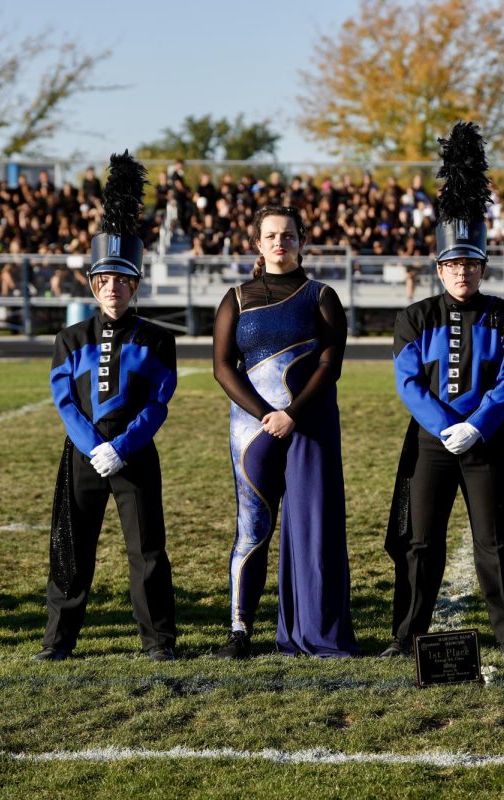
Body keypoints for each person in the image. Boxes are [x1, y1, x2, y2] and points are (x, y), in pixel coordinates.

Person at [382, 122, 504, 660]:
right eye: (452, 263)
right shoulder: (414, 316)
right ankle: (407, 634)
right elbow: (408, 381)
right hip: (431, 443)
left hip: (486, 440)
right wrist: (446, 427)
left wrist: (476, 425)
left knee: (495, 541)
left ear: (482, 265)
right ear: (439, 267)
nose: (461, 271)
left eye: (470, 262)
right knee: (420, 543)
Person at [36, 152, 178, 662]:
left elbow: (160, 401)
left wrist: (122, 446)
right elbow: (64, 400)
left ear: (134, 285)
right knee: (72, 549)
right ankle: (58, 641)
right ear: (93, 285)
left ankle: (158, 640)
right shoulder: (70, 338)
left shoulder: (159, 339)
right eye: (104, 281)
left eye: (122, 280)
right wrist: (94, 446)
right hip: (82, 455)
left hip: (134, 455)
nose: (113, 289)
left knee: (147, 553)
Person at [210, 204, 359, 659]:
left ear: (301, 241)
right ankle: (240, 632)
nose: (280, 243)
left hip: (308, 426)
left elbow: (331, 364)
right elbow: (221, 367)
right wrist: (264, 413)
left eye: (289, 236)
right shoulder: (236, 297)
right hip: (252, 431)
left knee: (314, 526)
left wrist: (292, 413)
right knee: (252, 527)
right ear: (258, 243)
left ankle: (316, 631)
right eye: (271, 236)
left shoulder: (321, 296)